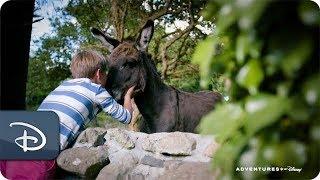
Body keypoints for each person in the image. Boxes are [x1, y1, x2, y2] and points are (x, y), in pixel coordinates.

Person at [0, 49, 135, 179]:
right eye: (106, 73)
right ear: (99, 74)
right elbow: (126, 117)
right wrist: (128, 95)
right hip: (41, 155)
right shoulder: (96, 90)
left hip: (15, 144)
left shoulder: (62, 86)